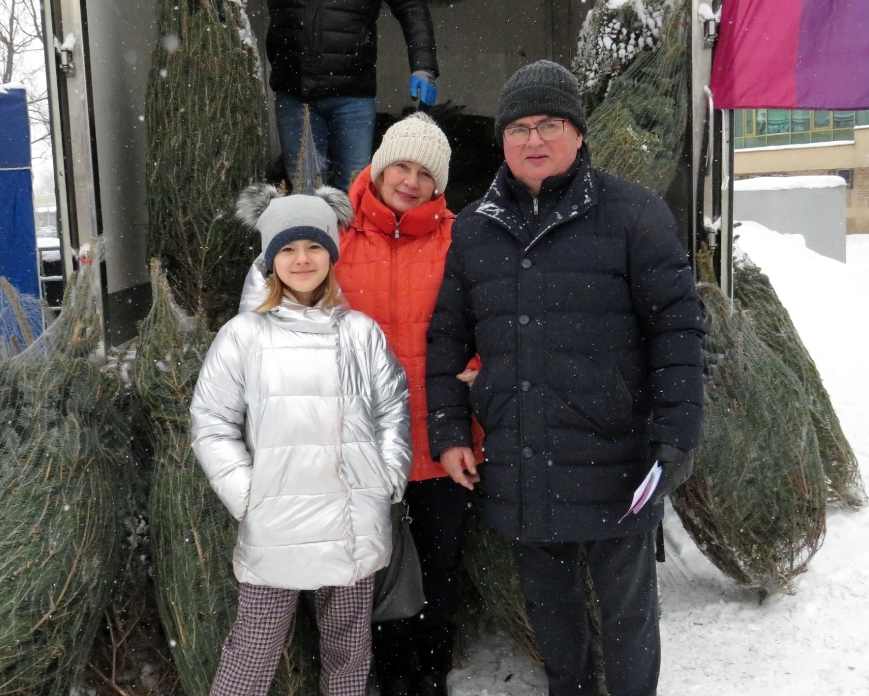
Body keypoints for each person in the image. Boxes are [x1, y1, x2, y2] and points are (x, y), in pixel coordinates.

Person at [425, 60, 705, 696]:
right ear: (502, 141)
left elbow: (677, 329)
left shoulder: (634, 214)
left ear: (578, 133)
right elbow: (446, 337)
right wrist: (449, 430)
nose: (534, 139)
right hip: (522, 457)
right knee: (552, 615)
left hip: (616, 457)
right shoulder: (474, 230)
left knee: (628, 615)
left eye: (549, 124)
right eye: (518, 128)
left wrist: (676, 432)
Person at [240, 112, 475, 696]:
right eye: (401, 166)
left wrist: (481, 367)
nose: (411, 181)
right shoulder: (335, 237)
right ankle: (389, 676)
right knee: (373, 569)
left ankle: (431, 675)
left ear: (440, 184)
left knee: (440, 566)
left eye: (426, 173)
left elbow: (488, 317)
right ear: (378, 166)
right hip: (358, 444)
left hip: (442, 438)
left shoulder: (461, 241)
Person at [191, 185, 412, 696]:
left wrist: (386, 480)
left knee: (349, 652)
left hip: (353, 519)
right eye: (287, 248)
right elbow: (211, 422)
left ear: (332, 254)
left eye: (314, 246)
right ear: (270, 259)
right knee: (253, 651)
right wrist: (249, 495)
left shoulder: (360, 332)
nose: (302, 259)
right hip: (277, 523)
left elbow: (392, 409)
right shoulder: (243, 336)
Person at [266, 0, 439, 191]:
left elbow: (410, 5)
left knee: (355, 190)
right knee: (306, 192)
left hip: (352, 94)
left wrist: (424, 66)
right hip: (294, 90)